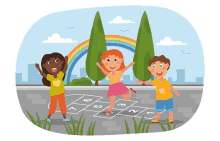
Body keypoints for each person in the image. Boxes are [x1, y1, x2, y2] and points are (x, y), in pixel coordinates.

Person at [136, 55, 180, 123]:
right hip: (159, 98)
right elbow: (149, 82)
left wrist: (175, 92)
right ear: (149, 69)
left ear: (167, 66)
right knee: (158, 109)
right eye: (154, 66)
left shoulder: (165, 80)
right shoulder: (156, 81)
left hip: (168, 97)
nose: (158, 70)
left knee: (169, 109)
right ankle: (157, 119)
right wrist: (141, 81)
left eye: (161, 65)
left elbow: (170, 86)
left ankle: (171, 119)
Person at [96, 49, 136, 113]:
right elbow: (104, 71)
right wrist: (99, 66)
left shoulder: (119, 73)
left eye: (115, 60)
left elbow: (124, 69)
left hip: (119, 86)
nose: (112, 63)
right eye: (108, 60)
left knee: (127, 98)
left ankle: (130, 91)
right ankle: (109, 109)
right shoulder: (109, 74)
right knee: (111, 99)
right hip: (112, 87)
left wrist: (130, 65)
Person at [35, 52, 70, 122]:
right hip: (53, 93)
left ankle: (65, 118)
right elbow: (43, 74)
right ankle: (48, 117)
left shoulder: (60, 74)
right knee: (53, 106)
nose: (54, 65)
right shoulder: (50, 77)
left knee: (62, 105)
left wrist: (66, 61)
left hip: (61, 93)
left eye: (57, 61)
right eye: (50, 63)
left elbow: (65, 68)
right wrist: (38, 68)